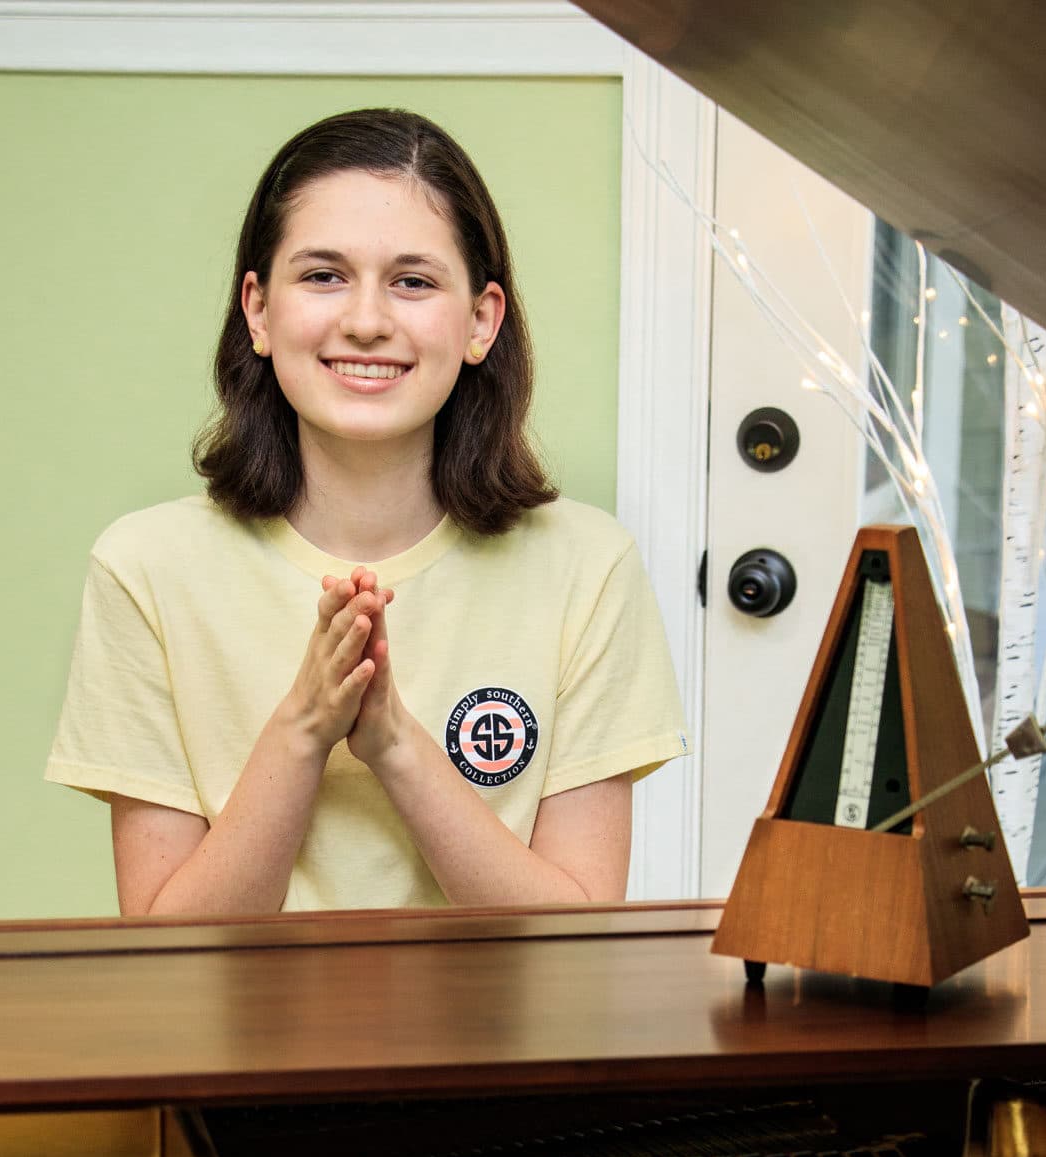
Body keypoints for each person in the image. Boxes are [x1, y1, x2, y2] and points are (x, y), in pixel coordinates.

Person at [45, 107, 689, 915]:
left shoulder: (588, 566)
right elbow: (167, 954)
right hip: (235, 1044)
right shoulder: (146, 567)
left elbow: (572, 945)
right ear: (258, 311)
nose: (367, 321)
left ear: (481, 321)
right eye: (323, 275)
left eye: (413, 281)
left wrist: (394, 746)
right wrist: (305, 728)